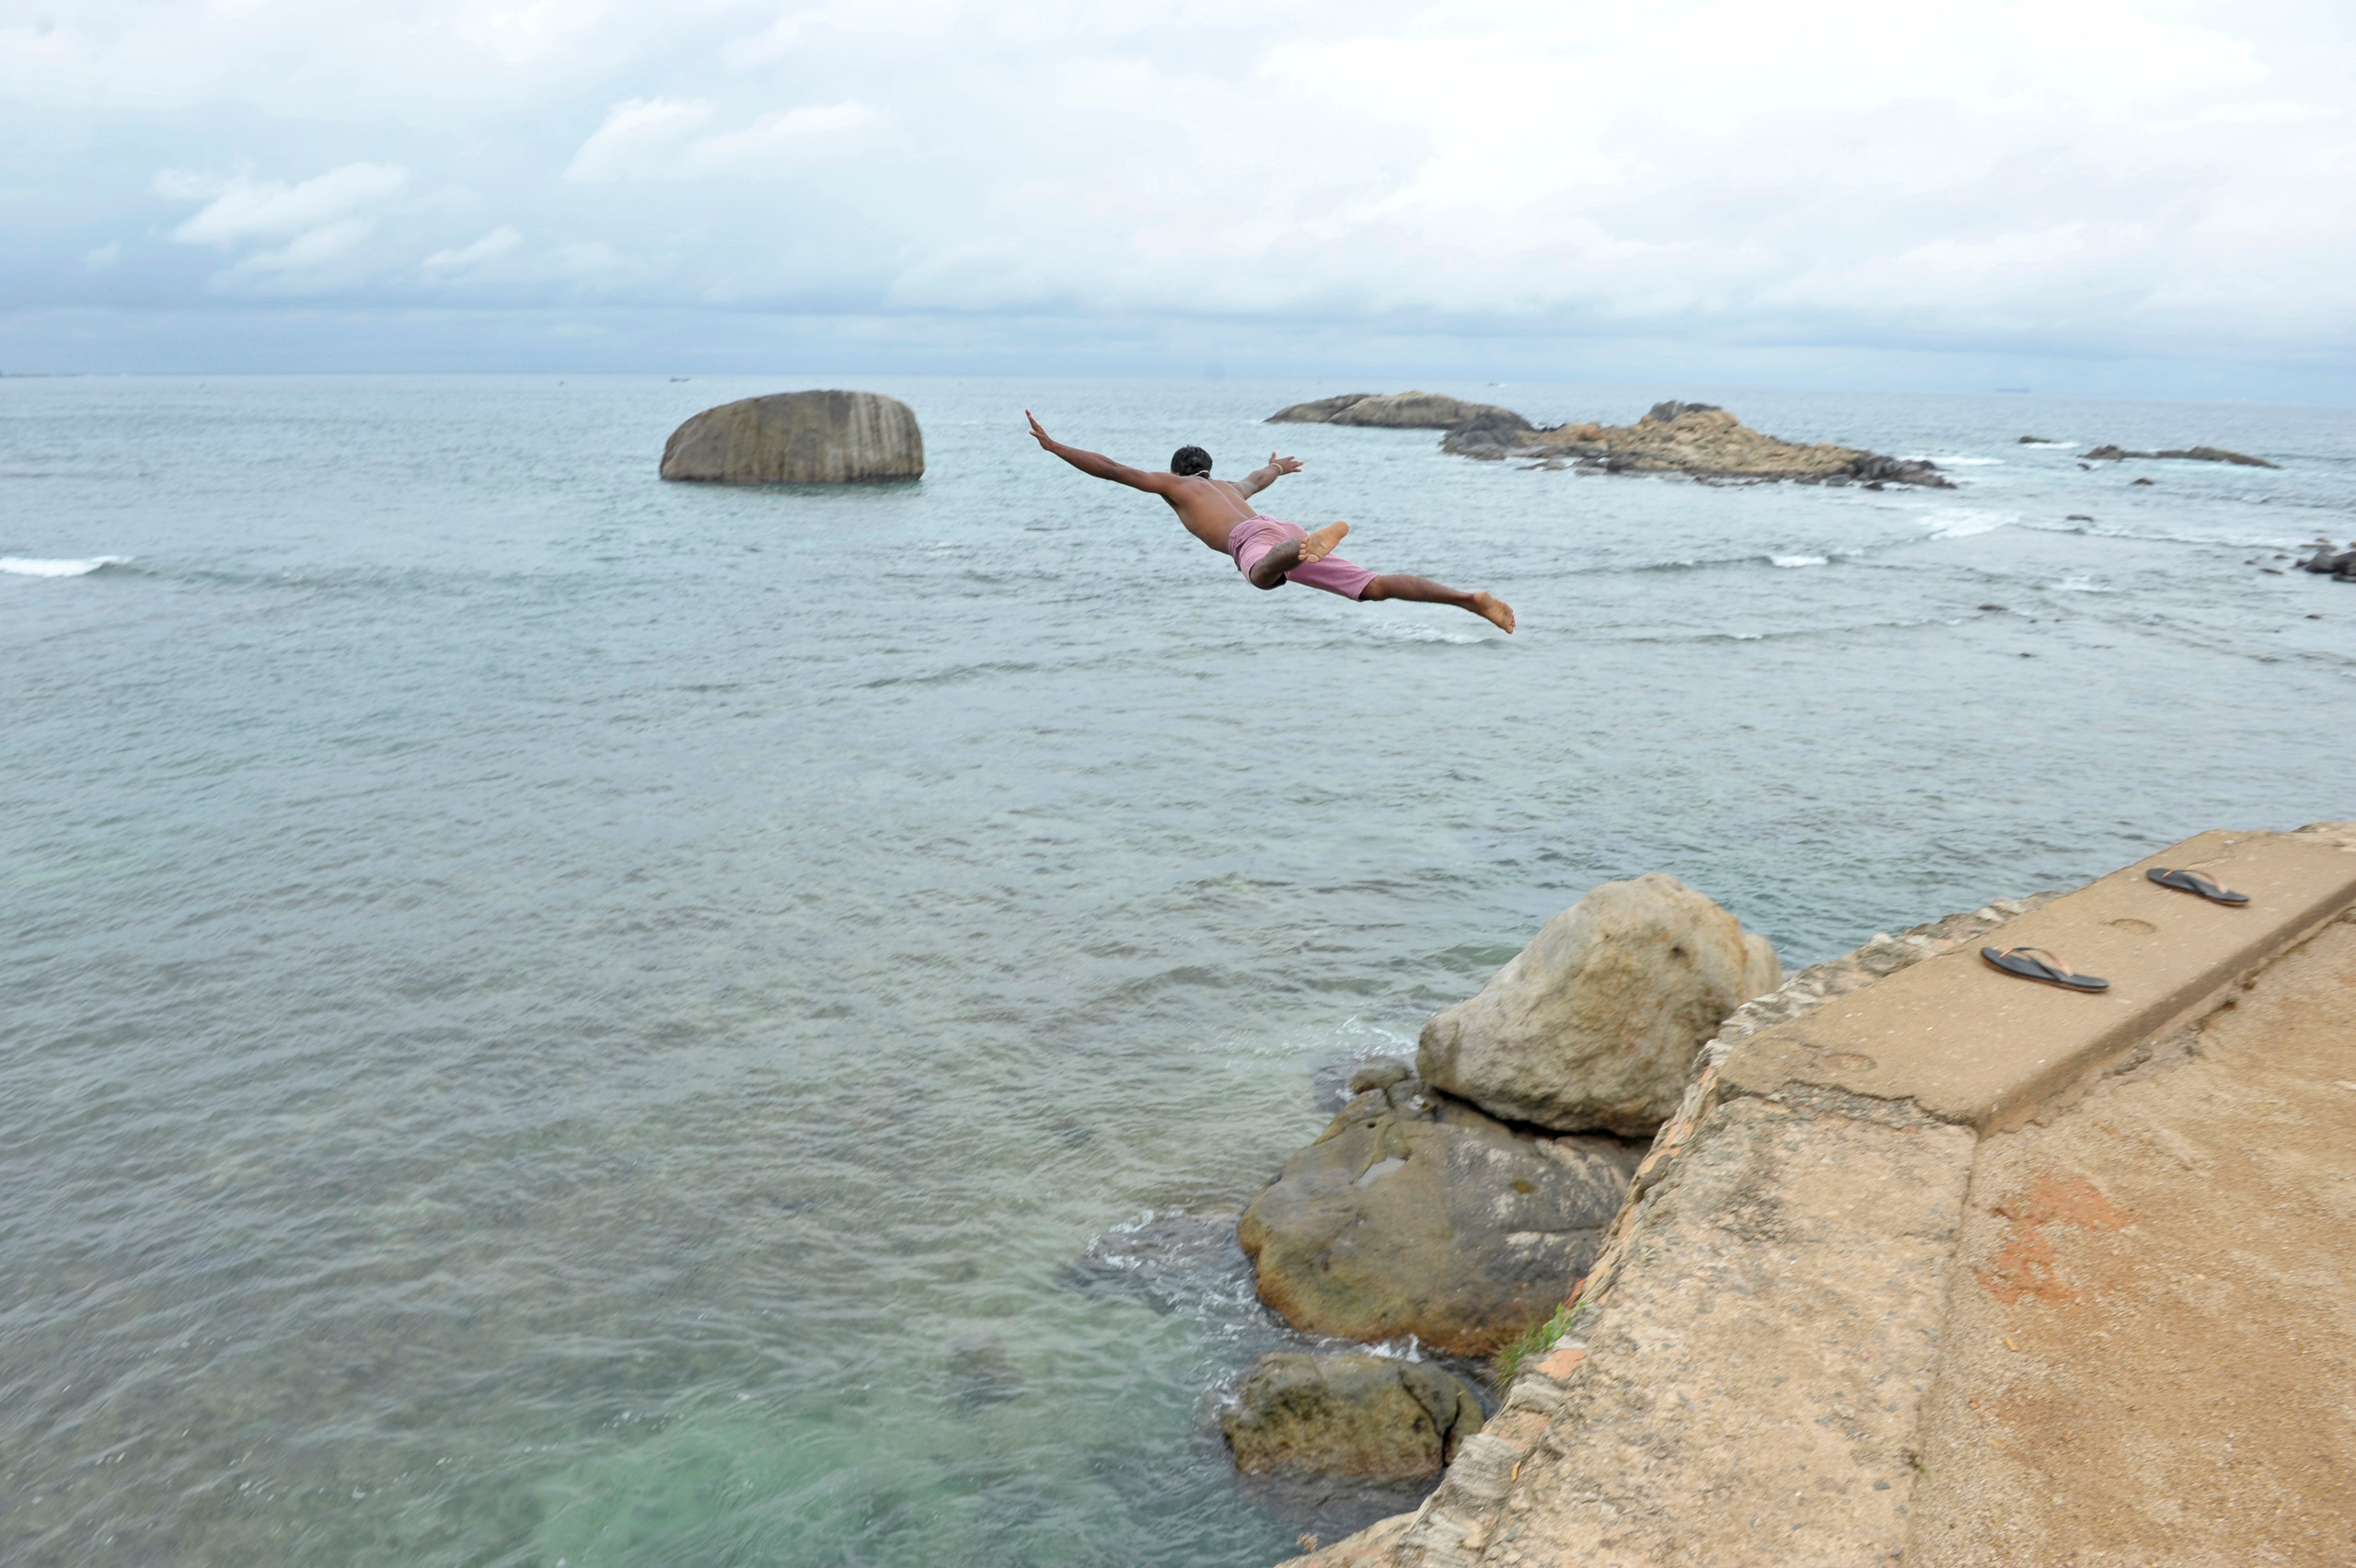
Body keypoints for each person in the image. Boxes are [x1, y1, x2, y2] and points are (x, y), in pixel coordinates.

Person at [1024, 411, 1515, 632]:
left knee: (1261, 577)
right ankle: (1467, 599)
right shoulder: (1234, 487)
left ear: (1177, 473)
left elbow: (1113, 470)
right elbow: (1263, 474)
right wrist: (1280, 466)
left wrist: (1056, 447)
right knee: (1373, 585)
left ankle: (1296, 553)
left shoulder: (1177, 488)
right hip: (1281, 524)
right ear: (1208, 468)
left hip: (1257, 541)